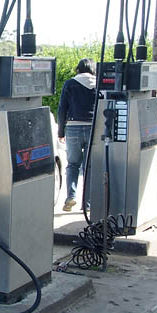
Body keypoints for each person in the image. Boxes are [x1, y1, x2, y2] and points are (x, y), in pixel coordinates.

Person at [57, 58, 97, 212]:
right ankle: (86, 205)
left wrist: (61, 131)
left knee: (73, 164)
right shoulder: (99, 84)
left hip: (73, 128)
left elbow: (62, 109)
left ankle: (71, 196)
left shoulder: (70, 84)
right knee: (89, 167)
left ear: (78, 68)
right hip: (92, 128)